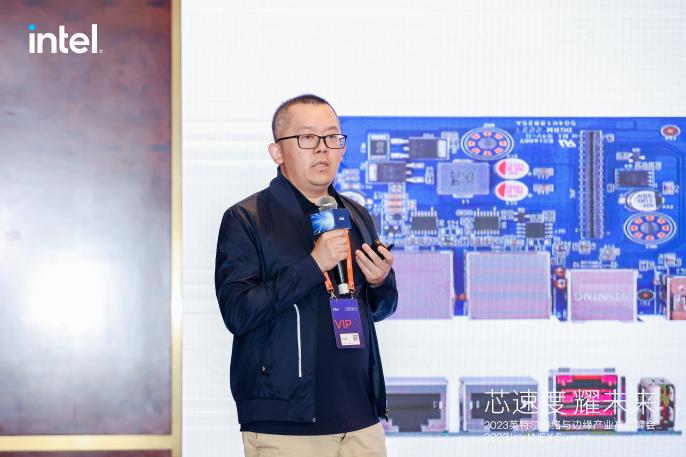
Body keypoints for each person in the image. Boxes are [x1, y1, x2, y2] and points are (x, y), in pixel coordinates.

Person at [215, 94, 398, 457]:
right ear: (277, 152)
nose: (322, 148)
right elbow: (238, 312)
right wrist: (313, 265)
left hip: (361, 420)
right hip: (286, 424)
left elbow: (377, 309)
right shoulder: (247, 218)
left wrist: (381, 282)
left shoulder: (356, 215)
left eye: (332, 137)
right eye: (308, 138)